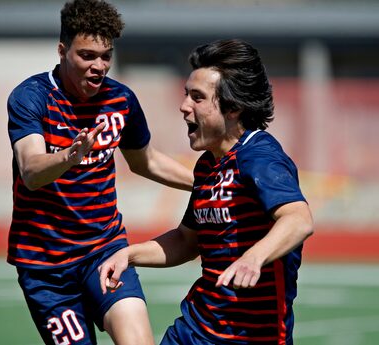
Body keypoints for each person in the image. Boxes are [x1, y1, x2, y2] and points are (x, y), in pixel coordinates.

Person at [99, 38, 314, 345]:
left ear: (234, 107)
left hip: (252, 337)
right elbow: (187, 241)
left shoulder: (260, 157)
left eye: (197, 98)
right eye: (187, 94)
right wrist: (128, 254)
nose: (184, 105)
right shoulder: (207, 165)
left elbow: (299, 218)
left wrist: (253, 258)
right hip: (194, 331)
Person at [7, 0, 193, 344]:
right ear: (62, 51)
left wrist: (206, 183)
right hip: (46, 270)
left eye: (105, 56)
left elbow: (146, 162)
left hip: (103, 251)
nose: (99, 66)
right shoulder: (31, 98)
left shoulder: (120, 100)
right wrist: (69, 157)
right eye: (87, 55)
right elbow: (31, 171)